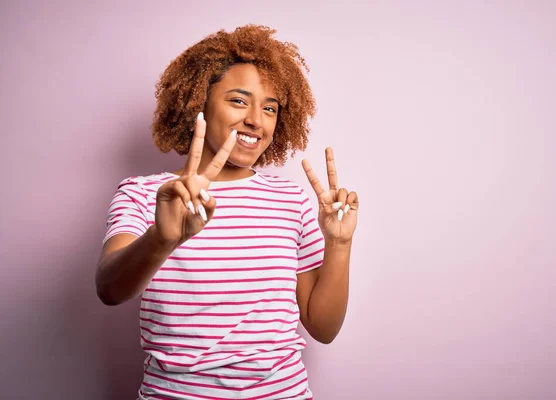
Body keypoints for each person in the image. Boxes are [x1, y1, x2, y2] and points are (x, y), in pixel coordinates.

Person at [95, 24, 359, 400]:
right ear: (196, 103)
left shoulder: (292, 200)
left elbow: (323, 328)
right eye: (238, 100)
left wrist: (339, 244)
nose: (256, 119)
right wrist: (162, 238)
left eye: (270, 108)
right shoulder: (143, 193)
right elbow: (108, 290)